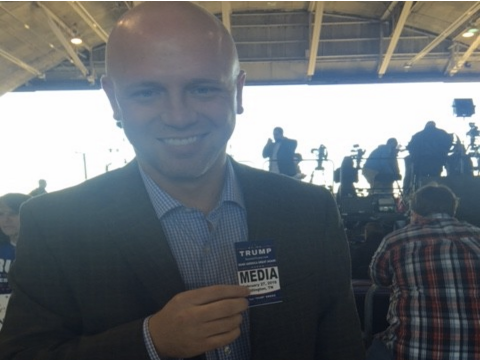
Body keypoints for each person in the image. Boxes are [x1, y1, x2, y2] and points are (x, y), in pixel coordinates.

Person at [0, 3, 365, 360]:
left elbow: (341, 346)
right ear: (113, 99)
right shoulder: (56, 226)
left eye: (203, 88)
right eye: (147, 92)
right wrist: (150, 342)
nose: (178, 116)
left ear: (238, 92)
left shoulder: (309, 212)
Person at [367, 183, 480, 360]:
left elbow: (378, 278)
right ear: (453, 210)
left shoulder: (395, 240)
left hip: (409, 353)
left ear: (415, 212)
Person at [0, 193, 31, 329]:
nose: (5, 219)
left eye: (13, 213)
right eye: (1, 214)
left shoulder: (43, 252)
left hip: (27, 322)